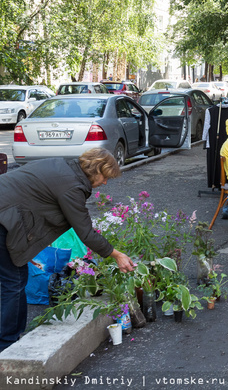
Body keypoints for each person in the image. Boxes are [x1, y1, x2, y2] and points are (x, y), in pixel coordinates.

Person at [0, 148, 135, 351]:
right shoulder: (71, 185)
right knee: (14, 282)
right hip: (3, 219)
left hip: (6, 214)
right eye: (105, 177)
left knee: (13, 280)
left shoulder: (62, 166)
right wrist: (116, 255)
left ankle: (10, 337)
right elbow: (85, 232)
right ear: (96, 169)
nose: (105, 182)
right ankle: (7, 344)